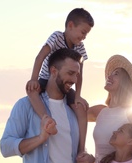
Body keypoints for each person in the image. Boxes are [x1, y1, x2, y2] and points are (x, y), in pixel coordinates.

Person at [26, 8, 94, 154]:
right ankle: (46, 119)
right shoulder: (56, 37)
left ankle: (81, 149)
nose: (84, 37)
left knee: (81, 108)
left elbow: (80, 73)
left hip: (65, 85)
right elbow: (40, 56)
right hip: (47, 79)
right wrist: (33, 79)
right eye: (83, 32)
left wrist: (78, 96)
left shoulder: (80, 47)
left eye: (86, 34)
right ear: (70, 25)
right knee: (32, 92)